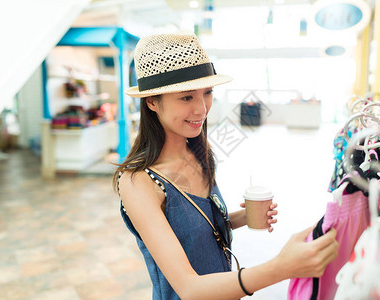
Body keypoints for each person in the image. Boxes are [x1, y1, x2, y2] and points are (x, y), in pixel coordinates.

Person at [113, 33, 338, 300]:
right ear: (152, 101)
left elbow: (195, 230)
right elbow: (189, 288)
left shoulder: (198, 153)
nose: (201, 109)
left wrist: (243, 217)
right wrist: (281, 267)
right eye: (186, 97)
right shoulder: (139, 182)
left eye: (207, 93)